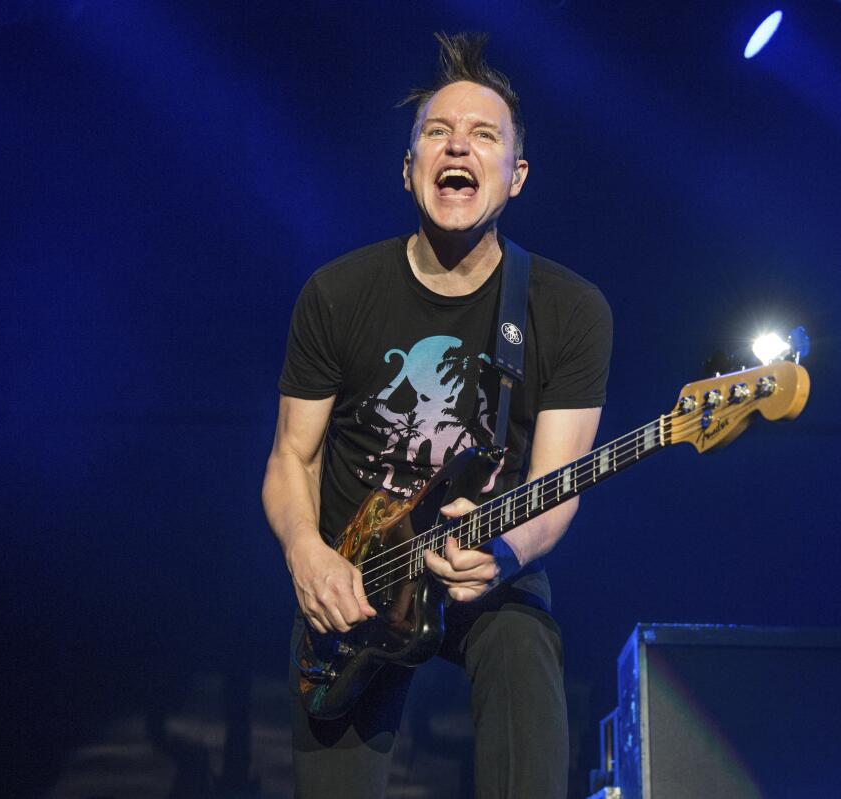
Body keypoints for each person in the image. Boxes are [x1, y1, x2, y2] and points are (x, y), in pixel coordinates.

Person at [261, 31, 612, 798]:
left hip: (486, 568)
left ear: (515, 176)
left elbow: (560, 482)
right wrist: (306, 554)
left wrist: (508, 553)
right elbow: (293, 457)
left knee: (523, 645)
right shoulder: (337, 292)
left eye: (484, 135)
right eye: (437, 133)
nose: (458, 146)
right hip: (355, 584)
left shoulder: (569, 309)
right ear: (410, 167)